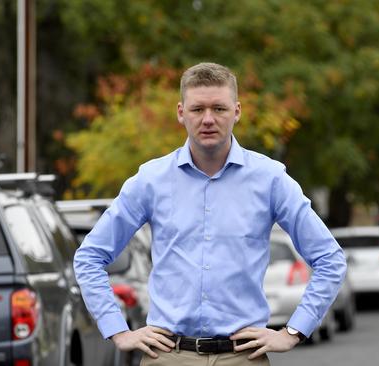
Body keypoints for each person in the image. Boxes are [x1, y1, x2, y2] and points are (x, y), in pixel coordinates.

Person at [74, 62, 346, 365]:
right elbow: (89, 257)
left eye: (219, 109)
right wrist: (118, 330)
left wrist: (294, 331)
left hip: (242, 357)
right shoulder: (150, 180)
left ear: (237, 111)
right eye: (197, 109)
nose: (208, 119)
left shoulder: (270, 179)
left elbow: (330, 259)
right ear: (181, 112)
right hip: (168, 356)